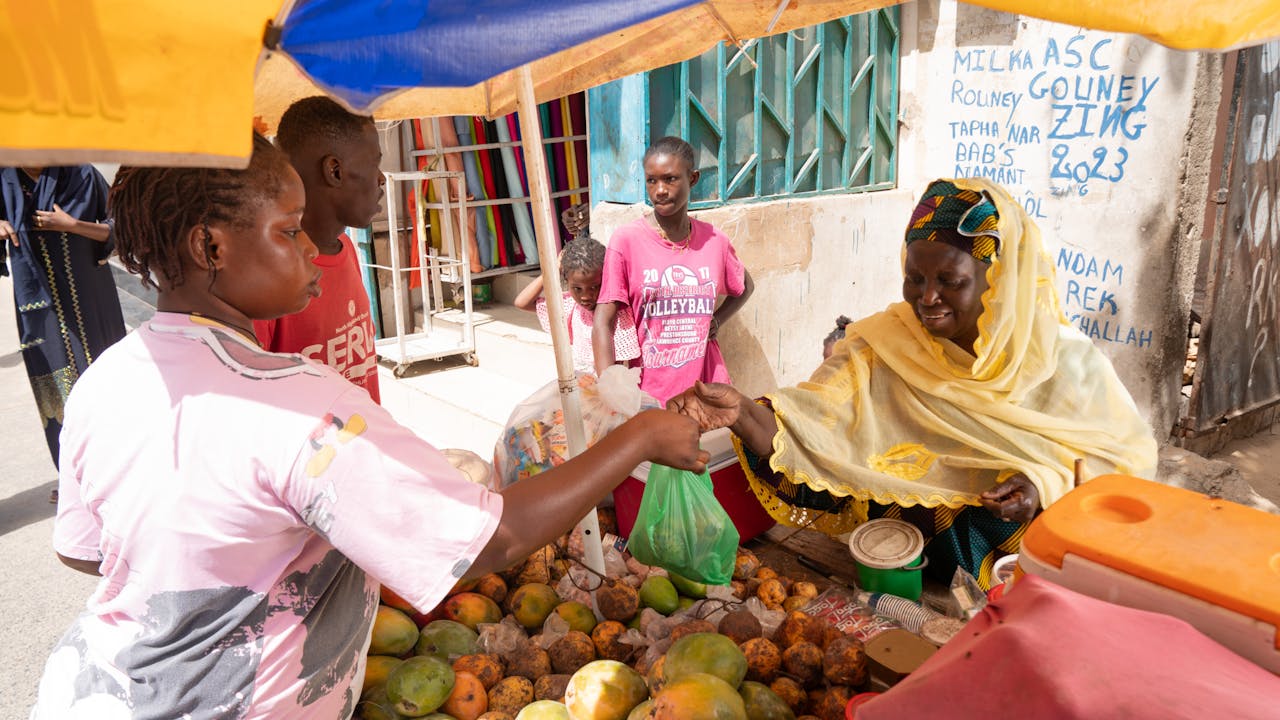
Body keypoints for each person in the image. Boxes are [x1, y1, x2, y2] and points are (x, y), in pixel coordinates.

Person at [34, 135, 707, 718]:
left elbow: (82, 549)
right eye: (288, 230)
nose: (308, 249)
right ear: (210, 245)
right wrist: (639, 437)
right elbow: (491, 541)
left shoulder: (108, 377)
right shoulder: (296, 407)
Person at [668, 178, 1157, 589]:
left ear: (998, 279)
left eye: (951, 280)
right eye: (914, 278)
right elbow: (816, 420)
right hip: (896, 570)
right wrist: (743, 413)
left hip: (1016, 583)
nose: (927, 298)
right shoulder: (884, 345)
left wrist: (1041, 484)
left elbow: (1126, 464)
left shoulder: (1063, 361)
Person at [592, 136, 754, 404]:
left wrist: (717, 321)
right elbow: (603, 320)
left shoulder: (714, 241)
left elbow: (745, 286)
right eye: (651, 180)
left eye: (670, 179)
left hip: (703, 386)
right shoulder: (627, 241)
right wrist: (610, 389)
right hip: (648, 390)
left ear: (692, 179)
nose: (660, 190)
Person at [0, 165, 126, 497]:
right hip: (36, 305)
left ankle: (119, 468)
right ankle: (73, 476)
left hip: (89, 298)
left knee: (104, 378)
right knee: (54, 382)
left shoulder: (82, 175)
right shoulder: (3, 179)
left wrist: (73, 226)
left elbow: (122, 227)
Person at [253, 96, 385, 402]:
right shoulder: (269, 274)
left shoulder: (347, 249)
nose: (381, 178)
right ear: (334, 171)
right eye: (374, 163)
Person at [513, 236, 639, 375]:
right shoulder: (570, 307)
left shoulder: (617, 312)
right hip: (582, 385)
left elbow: (618, 368)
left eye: (594, 287)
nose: (585, 296)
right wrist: (555, 268)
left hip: (609, 386)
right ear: (566, 281)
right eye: (577, 289)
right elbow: (522, 302)